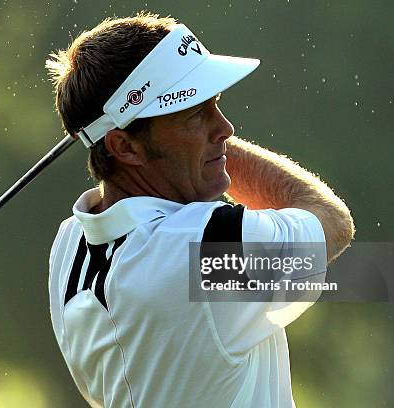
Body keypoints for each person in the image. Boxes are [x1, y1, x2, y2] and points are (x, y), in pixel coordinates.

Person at [46, 12, 354, 408]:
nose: (225, 128)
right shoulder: (202, 248)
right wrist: (219, 153)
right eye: (194, 113)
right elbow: (330, 221)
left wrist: (201, 143)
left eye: (215, 104)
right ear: (125, 147)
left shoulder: (69, 246)